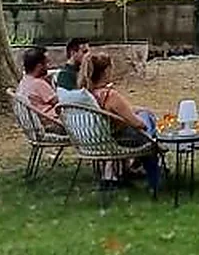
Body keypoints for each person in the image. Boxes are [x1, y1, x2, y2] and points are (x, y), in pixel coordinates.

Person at [80, 52, 160, 190]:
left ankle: (128, 170)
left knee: (144, 115)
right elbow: (137, 124)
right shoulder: (110, 95)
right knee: (147, 124)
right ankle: (154, 178)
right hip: (119, 138)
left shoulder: (86, 94)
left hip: (98, 138)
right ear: (106, 71)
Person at [17, 46, 61, 127]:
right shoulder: (39, 84)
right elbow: (60, 102)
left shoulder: (24, 81)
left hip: (37, 124)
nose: (49, 66)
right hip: (53, 123)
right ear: (39, 66)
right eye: (47, 63)